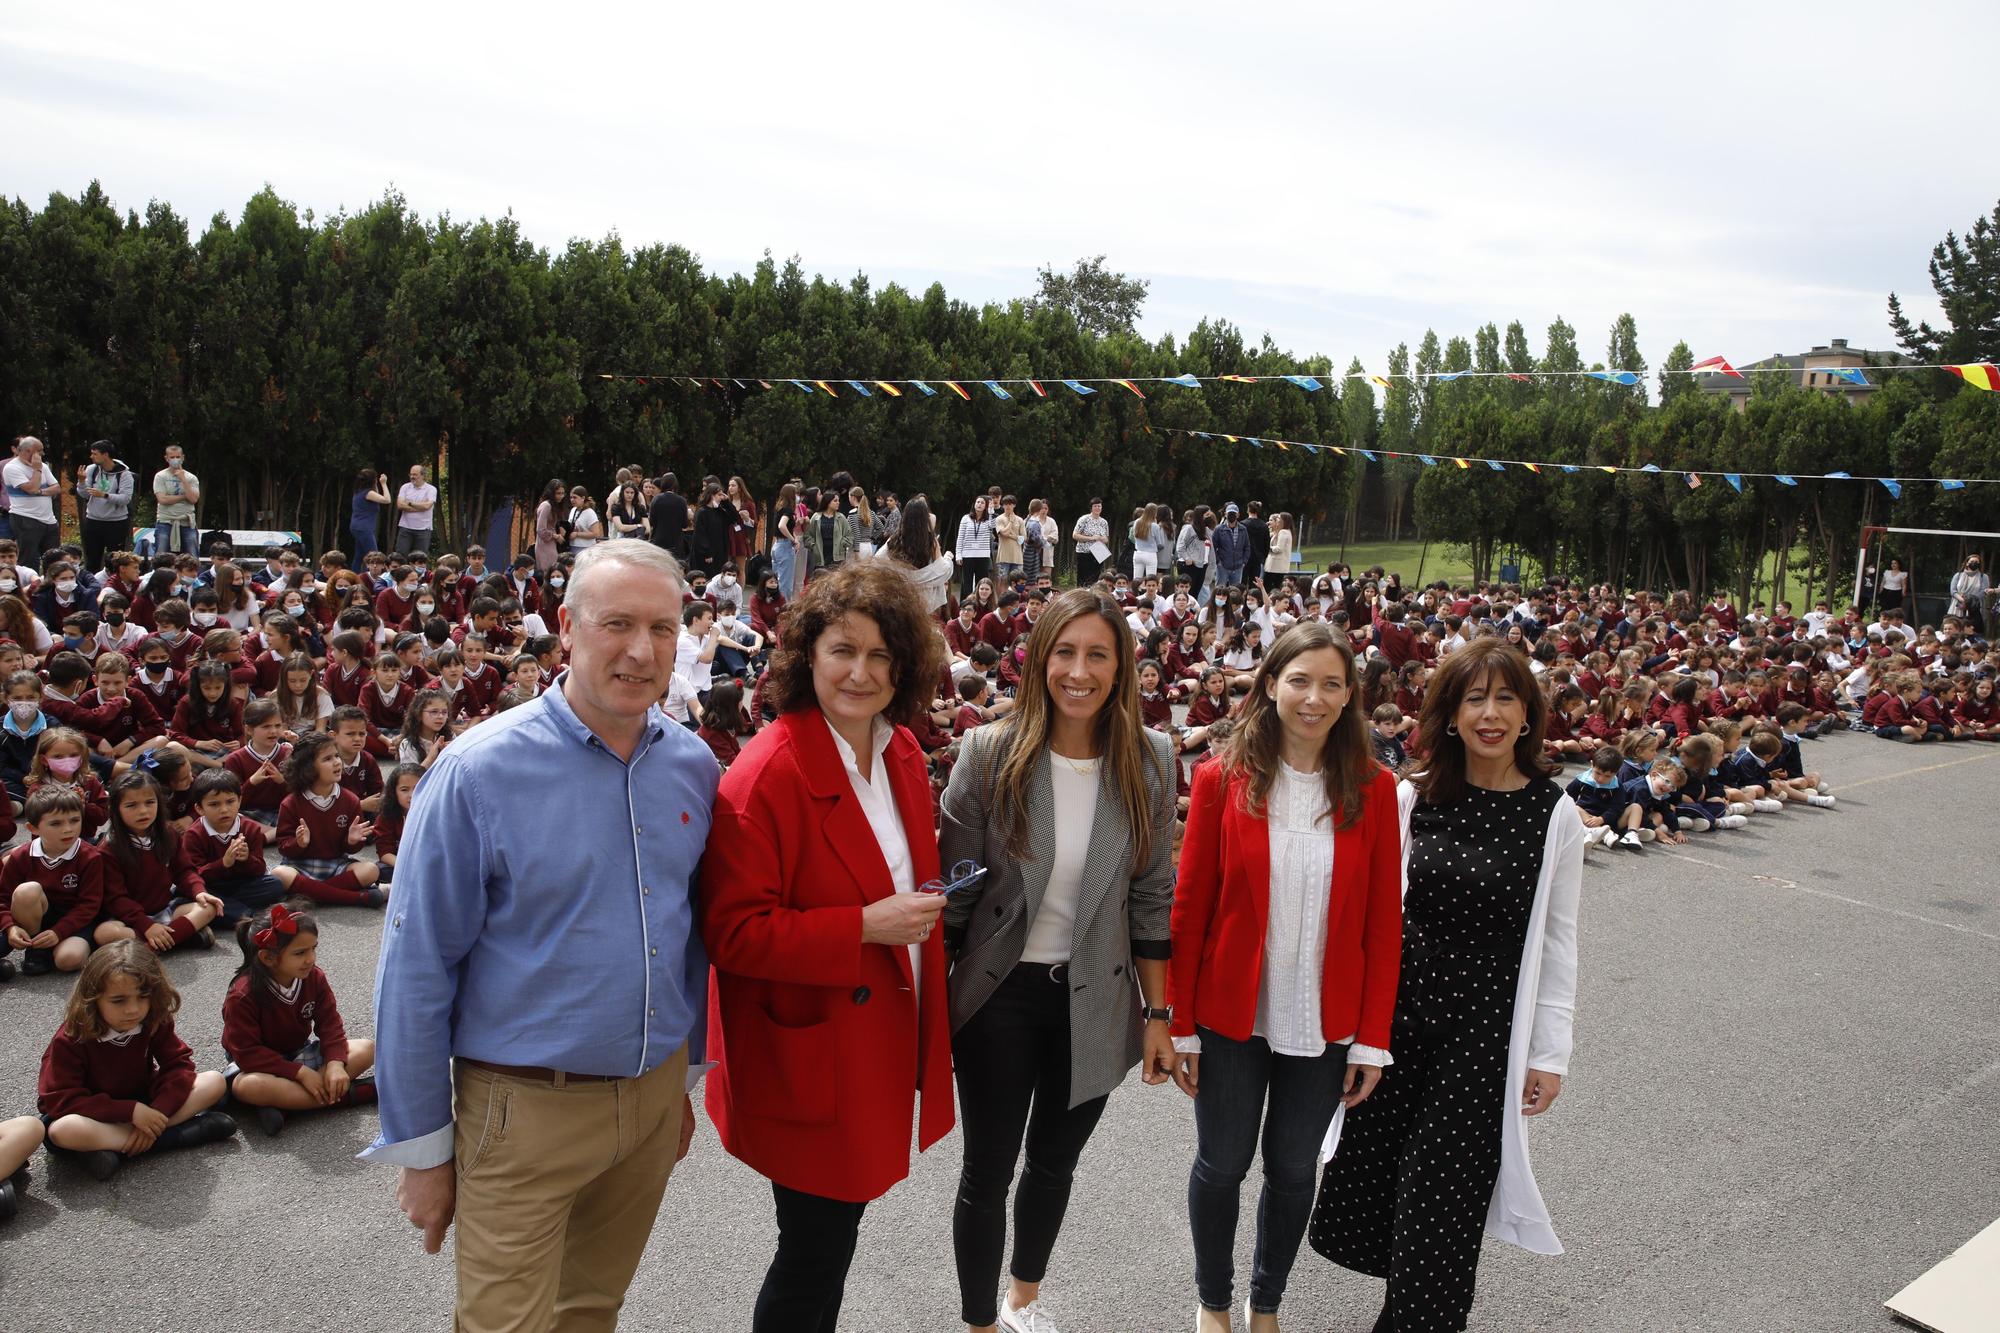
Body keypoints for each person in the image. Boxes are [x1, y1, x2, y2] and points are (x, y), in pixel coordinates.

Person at [366, 539, 716, 1331]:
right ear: (566, 626)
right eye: (617, 623)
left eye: (663, 628)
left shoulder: (693, 764)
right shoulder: (478, 772)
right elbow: (416, 969)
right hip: (521, 1111)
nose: (641, 649)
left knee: (591, 1311)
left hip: (651, 1099)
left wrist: (681, 1078)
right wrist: (422, 1150)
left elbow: (687, 933)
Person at [701, 560, 953, 1333]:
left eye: (882, 655)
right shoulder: (766, 771)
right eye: (843, 649)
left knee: (832, 1243)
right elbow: (732, 931)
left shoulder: (902, 750)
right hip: (811, 1052)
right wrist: (864, 925)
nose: (861, 671)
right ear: (807, 654)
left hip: (873, 1037)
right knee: (812, 1251)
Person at [1311, 635, 1588, 1333]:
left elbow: (1557, 941)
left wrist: (1549, 1054)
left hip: (1484, 1039)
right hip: (1401, 1026)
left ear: (1527, 715)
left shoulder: (1553, 813)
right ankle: (1421, 1312)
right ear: (1451, 714)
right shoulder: (1414, 795)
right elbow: (1375, 917)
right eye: (1474, 698)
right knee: (1383, 1194)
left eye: (1505, 698)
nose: (1490, 713)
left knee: (1444, 1198)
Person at [939, 588, 1178, 1333]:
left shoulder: (1151, 760)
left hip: (1096, 998)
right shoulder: (989, 750)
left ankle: (1023, 1298)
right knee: (987, 1173)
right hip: (999, 994)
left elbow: (1150, 899)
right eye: (1065, 652)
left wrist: (1160, 1015)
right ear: (1040, 657)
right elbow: (954, 894)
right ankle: (979, 1321)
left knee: (1053, 1164)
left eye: (1097, 654)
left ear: (1121, 667)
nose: (1079, 671)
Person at [1168, 621, 1401, 1332]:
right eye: (1300, 679)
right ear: (1270, 684)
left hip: (1326, 1019)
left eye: (1333, 683)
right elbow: (1190, 907)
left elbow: (1382, 926)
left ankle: (1265, 1301)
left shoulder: (1375, 788)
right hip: (1231, 1012)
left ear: (1350, 696)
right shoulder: (1220, 779)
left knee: (1296, 1170)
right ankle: (1213, 1300)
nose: (1314, 696)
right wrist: (1179, 1023)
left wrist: (1371, 1040)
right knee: (1222, 1163)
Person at [36, 939, 237, 1180]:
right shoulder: (71, 1038)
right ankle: (179, 1135)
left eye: (143, 996)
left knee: (214, 1081)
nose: (133, 1010)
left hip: (146, 1103)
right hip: (93, 1115)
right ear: (92, 998)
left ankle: (117, 1150)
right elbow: (61, 1100)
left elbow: (178, 1065)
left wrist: (157, 1110)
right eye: (118, 1001)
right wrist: (130, 1111)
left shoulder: (153, 1019)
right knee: (62, 1131)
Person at [222, 902, 377, 1137]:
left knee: (366, 1048)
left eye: (313, 948)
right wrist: (300, 1074)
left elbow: (330, 1024)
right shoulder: (243, 994)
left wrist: (334, 1064)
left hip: (299, 1052)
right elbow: (247, 1053)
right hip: (260, 1067)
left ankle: (287, 1108)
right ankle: (352, 1095)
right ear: (268, 958)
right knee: (246, 1087)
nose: (311, 959)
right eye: (300, 953)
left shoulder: (313, 977)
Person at [97, 770, 222, 954]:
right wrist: (146, 926)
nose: (143, 811)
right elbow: (116, 899)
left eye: (150, 802)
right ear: (116, 809)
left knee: (208, 907)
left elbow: (184, 871)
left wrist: (199, 892)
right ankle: (178, 937)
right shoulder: (109, 848)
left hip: (165, 910)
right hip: (129, 920)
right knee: (104, 934)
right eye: (131, 805)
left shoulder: (168, 834)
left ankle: (151, 947)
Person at [1, 787, 110, 975]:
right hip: (37, 917)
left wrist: (58, 932)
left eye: (75, 820)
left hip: (75, 921)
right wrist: (10, 928)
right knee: (27, 891)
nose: (68, 829)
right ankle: (36, 949)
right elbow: (3, 898)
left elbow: (89, 905)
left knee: (68, 960)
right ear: (33, 828)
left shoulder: (90, 857)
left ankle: (79, 945)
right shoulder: (20, 856)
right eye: (56, 823)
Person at [878, 496, 955, 615]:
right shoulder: (930, 541)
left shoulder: (895, 539)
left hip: (900, 596)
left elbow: (877, 561)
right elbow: (942, 570)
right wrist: (948, 559)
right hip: (922, 600)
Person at [6, 437, 63, 573]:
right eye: (40, 451)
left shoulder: (43, 466)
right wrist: (36, 471)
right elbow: (31, 488)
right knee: (29, 561)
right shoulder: (12, 468)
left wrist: (40, 491)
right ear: (28, 451)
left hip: (49, 520)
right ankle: (29, 591)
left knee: (55, 561)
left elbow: (56, 488)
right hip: (26, 519)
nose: (42, 454)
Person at [80, 441, 136, 573]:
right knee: (92, 559)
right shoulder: (92, 470)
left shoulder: (124, 474)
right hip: (93, 520)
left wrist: (104, 495)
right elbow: (85, 494)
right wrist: (81, 482)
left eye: (95, 454)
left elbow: (125, 499)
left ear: (105, 455)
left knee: (115, 560)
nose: (91, 456)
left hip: (115, 522)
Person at [149, 445, 201, 558]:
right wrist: (184, 496)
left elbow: (193, 499)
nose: (175, 459)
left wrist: (183, 479)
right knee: (161, 556)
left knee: (192, 556)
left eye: (178, 456)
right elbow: (162, 499)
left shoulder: (191, 478)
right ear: (166, 458)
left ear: (183, 457)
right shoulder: (160, 476)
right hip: (165, 521)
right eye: (172, 457)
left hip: (187, 522)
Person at [956, 495, 997, 597]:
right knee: (967, 583)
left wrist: (991, 512)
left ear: (986, 506)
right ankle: (965, 606)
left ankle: (979, 607)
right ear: (974, 504)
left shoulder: (988, 520)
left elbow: (993, 526)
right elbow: (960, 537)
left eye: (982, 503)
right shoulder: (966, 518)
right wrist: (958, 554)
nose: (979, 504)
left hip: (983, 555)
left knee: (981, 583)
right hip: (967, 555)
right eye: (978, 502)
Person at [394, 465, 439, 556]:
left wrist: (410, 503)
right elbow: (400, 505)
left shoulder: (431, 489)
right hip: (405, 527)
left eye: (415, 474)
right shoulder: (405, 487)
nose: (412, 477)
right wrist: (420, 507)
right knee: (400, 556)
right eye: (410, 474)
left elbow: (427, 506)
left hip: (423, 529)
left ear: (423, 475)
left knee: (420, 557)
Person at [648, 471, 691, 564]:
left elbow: (652, 522)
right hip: (676, 541)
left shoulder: (656, 499)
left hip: (659, 540)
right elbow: (684, 524)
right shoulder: (682, 501)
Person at [351, 468, 392, 563]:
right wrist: (384, 483)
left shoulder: (359, 491)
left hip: (357, 526)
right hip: (364, 528)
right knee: (374, 556)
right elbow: (387, 500)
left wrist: (376, 484)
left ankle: (356, 575)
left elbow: (376, 495)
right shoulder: (368, 493)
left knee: (359, 555)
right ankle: (373, 576)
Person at [1071, 498, 1110, 589]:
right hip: (1084, 551)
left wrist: (1100, 538)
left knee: (1096, 577)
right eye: (1095, 506)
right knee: (1083, 577)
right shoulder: (1084, 519)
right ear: (1091, 508)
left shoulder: (1104, 522)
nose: (1097, 508)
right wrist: (1091, 538)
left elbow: (1106, 538)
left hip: (1099, 551)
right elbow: (1075, 535)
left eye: (1099, 506)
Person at [533, 479, 567, 575]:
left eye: (562, 493)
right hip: (544, 545)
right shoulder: (546, 506)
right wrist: (556, 536)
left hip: (550, 543)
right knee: (549, 572)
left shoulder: (552, 506)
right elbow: (540, 530)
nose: (561, 496)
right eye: (558, 493)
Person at [1949, 555, 1989, 635]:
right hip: (1958, 607)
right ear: (1967, 563)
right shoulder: (1958, 575)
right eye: (1972, 561)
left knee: (1973, 632)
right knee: (1956, 630)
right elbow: (1953, 591)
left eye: (1977, 562)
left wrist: (1969, 600)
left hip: (1975, 608)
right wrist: (1962, 600)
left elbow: (1984, 591)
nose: (1974, 563)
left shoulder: (1983, 577)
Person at [1263, 512, 1294, 586]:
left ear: (1284, 521)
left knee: (1268, 586)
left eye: (1279, 518)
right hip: (1277, 566)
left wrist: (1267, 548)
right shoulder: (1285, 531)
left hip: (1275, 566)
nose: (1277, 519)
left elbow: (1279, 549)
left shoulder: (1283, 532)